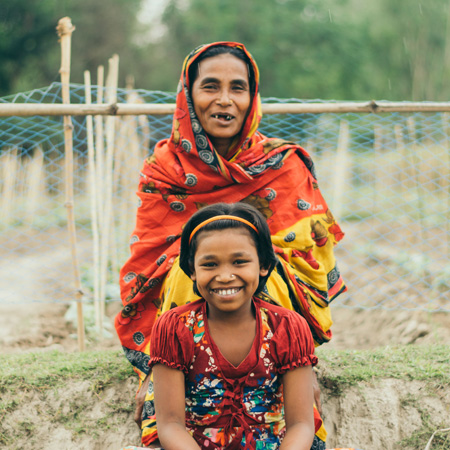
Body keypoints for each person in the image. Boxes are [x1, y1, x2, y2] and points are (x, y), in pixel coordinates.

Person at [115, 41, 345, 448]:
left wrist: (302, 364)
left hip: (276, 313)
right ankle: (166, 374)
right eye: (210, 86)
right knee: (187, 268)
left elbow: (311, 259)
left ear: (252, 97)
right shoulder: (165, 170)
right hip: (184, 315)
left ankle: (289, 369)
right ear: (188, 94)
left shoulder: (283, 165)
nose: (224, 100)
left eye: (237, 88)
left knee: (262, 269)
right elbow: (148, 264)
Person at [150, 202, 318, 449]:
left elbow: (301, 425)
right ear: (191, 270)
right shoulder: (175, 327)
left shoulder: (287, 327)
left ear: (263, 266)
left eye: (239, 262)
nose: (225, 276)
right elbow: (170, 425)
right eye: (210, 264)